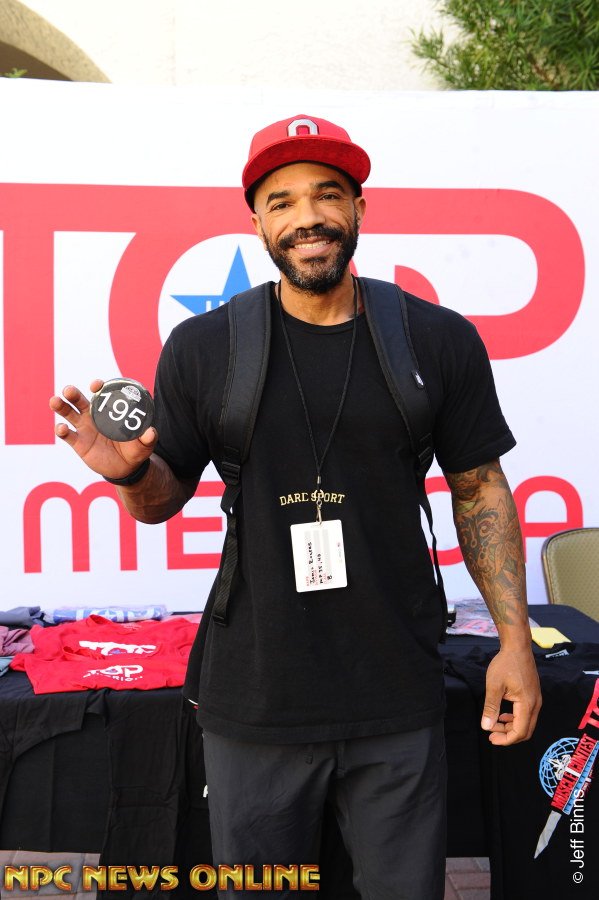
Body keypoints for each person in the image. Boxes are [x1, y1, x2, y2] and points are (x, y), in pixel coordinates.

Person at [50, 114, 542, 899]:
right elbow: (160, 500)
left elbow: (479, 486)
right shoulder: (205, 347)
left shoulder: (435, 339)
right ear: (256, 222)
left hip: (396, 691)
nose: (306, 216)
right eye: (280, 202)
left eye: (327, 194)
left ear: (359, 209)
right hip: (255, 698)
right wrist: (129, 474)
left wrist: (514, 643)